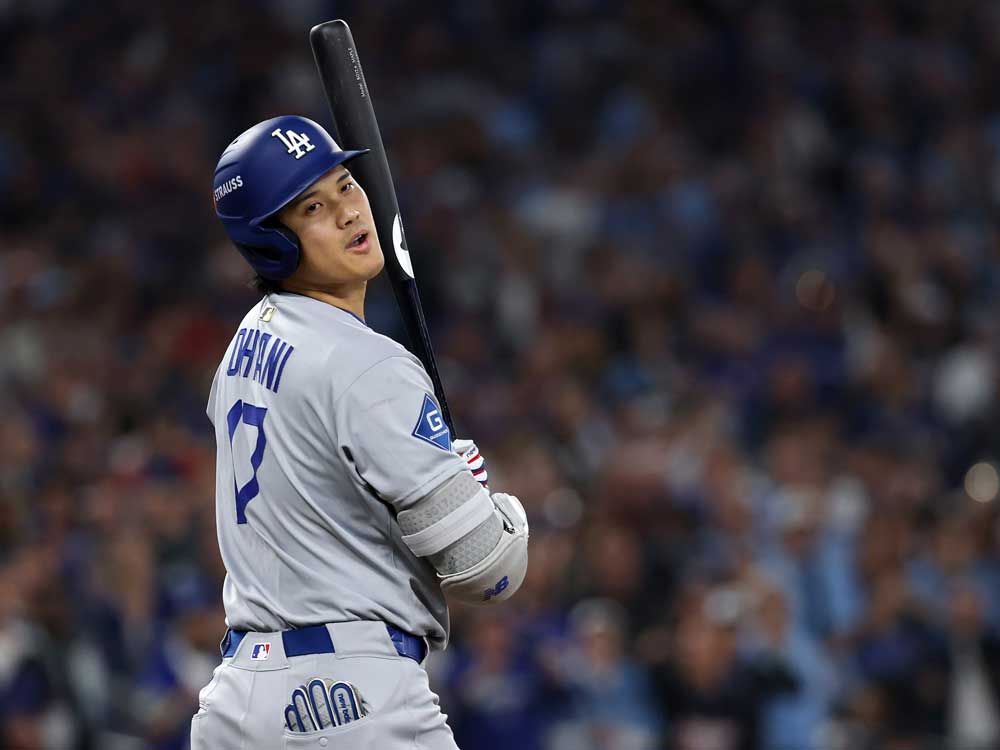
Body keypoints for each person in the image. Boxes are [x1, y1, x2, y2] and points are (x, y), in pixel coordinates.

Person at [191, 115, 529, 749]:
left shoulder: (241, 350)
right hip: (349, 700)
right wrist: (495, 507)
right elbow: (488, 570)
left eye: (347, 184)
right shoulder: (366, 363)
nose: (349, 212)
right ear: (273, 244)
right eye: (314, 207)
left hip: (236, 705)